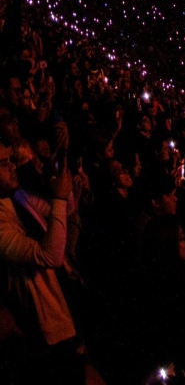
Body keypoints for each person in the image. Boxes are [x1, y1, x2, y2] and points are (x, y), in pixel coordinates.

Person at [0, 144, 102, 384]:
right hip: (52, 333)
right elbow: (50, 256)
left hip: (68, 301)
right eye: (3, 164)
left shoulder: (18, 197)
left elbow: (64, 212)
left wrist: (63, 182)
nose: (13, 167)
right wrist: (58, 197)